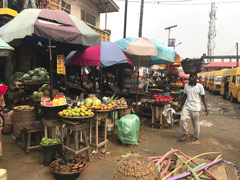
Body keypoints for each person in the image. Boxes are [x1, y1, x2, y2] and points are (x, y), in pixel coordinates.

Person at [177, 73, 208, 142]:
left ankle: (196, 136)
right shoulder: (186, 86)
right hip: (187, 106)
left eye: (193, 77)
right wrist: (181, 106)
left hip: (196, 107)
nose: (191, 78)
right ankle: (185, 133)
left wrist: (206, 108)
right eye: (190, 77)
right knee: (182, 119)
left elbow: (203, 97)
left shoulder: (200, 86)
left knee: (195, 123)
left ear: (196, 78)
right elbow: (185, 96)